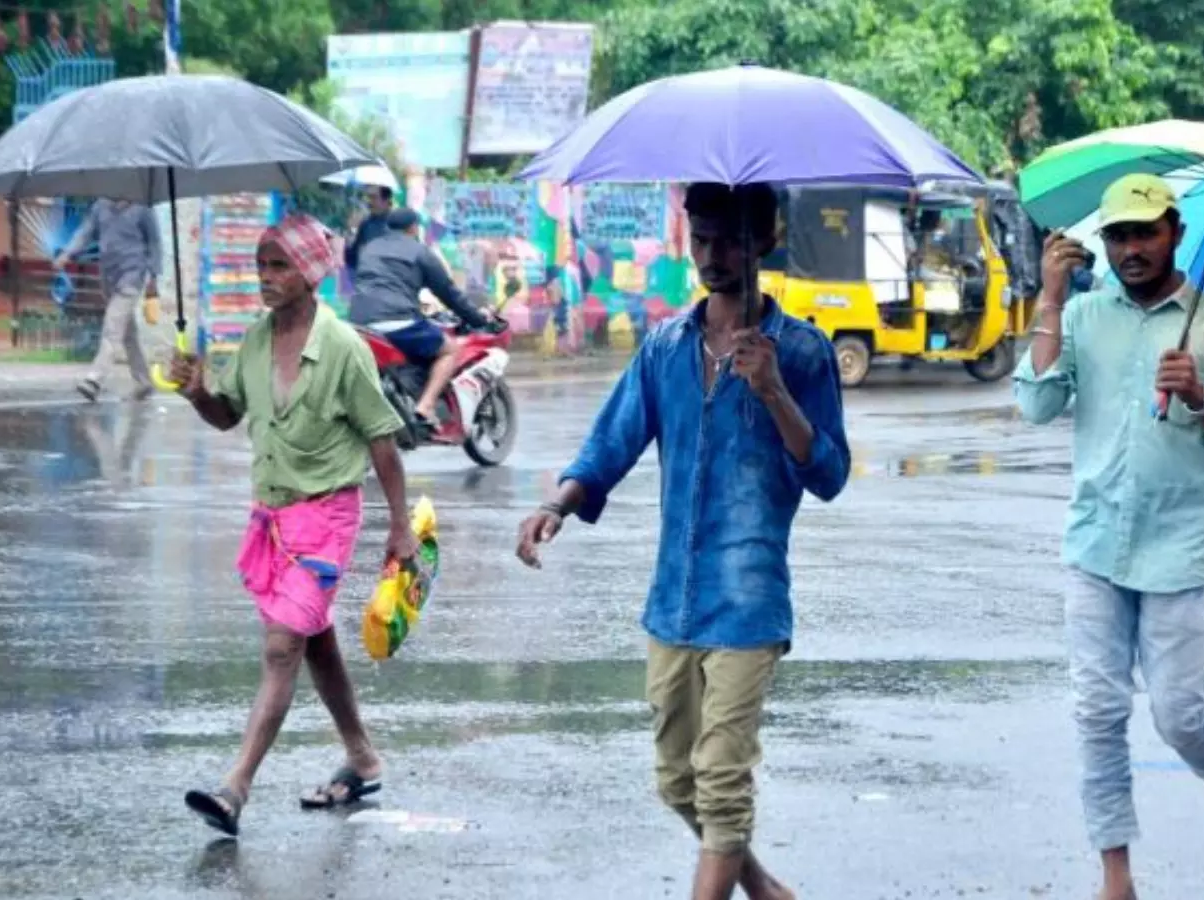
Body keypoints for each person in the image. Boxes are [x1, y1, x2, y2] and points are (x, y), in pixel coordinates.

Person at [514, 182, 849, 900]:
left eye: (729, 238)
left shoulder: (802, 351)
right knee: (678, 782)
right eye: (700, 238)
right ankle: (764, 889)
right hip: (673, 602)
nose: (711, 255)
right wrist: (557, 505)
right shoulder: (666, 347)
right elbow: (612, 440)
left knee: (722, 781)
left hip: (749, 604)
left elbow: (828, 474)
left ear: (765, 240)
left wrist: (774, 392)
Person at [1013, 173, 1204, 899]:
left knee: (1179, 715)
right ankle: (1116, 877)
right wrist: (1050, 299)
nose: (1131, 249)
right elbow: (1036, 403)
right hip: (1095, 544)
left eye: (1145, 233)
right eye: (1118, 236)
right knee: (1097, 712)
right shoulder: (1084, 315)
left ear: (1175, 233)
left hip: (1180, 551)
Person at [168, 213, 419, 837]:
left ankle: (235, 788)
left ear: (309, 273)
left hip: (328, 517)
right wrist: (198, 392)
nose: (265, 276)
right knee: (315, 640)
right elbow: (227, 415)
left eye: (278, 265)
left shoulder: (342, 347)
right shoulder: (256, 341)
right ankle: (362, 757)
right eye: (260, 265)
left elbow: (382, 439)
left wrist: (400, 526)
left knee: (283, 646)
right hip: (273, 518)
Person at [348, 208, 500, 427]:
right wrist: (479, 319)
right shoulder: (420, 252)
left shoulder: (369, 249)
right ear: (413, 228)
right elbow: (449, 293)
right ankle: (426, 406)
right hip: (399, 321)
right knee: (449, 350)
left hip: (359, 323)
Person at [53, 197, 163, 402]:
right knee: (128, 333)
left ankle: (94, 379)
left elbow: (155, 243)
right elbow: (85, 233)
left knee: (112, 328)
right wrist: (68, 253)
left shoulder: (143, 208)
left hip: (132, 276)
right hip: (108, 276)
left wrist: (154, 277)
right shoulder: (100, 206)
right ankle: (143, 382)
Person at [343, 185, 394, 273]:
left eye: (374, 197)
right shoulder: (366, 223)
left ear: (385, 201)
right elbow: (352, 257)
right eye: (369, 197)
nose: (369, 202)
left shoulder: (395, 224)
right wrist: (351, 230)